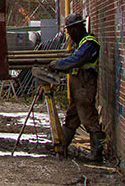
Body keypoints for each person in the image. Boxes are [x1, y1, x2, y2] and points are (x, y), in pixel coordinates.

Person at [47, 13, 105, 162]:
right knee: (72, 117)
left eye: (71, 30)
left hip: (85, 86)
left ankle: (96, 155)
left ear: (78, 28)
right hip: (78, 87)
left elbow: (77, 60)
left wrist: (59, 64)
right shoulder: (80, 44)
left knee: (88, 118)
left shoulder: (89, 43)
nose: (69, 34)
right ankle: (61, 146)